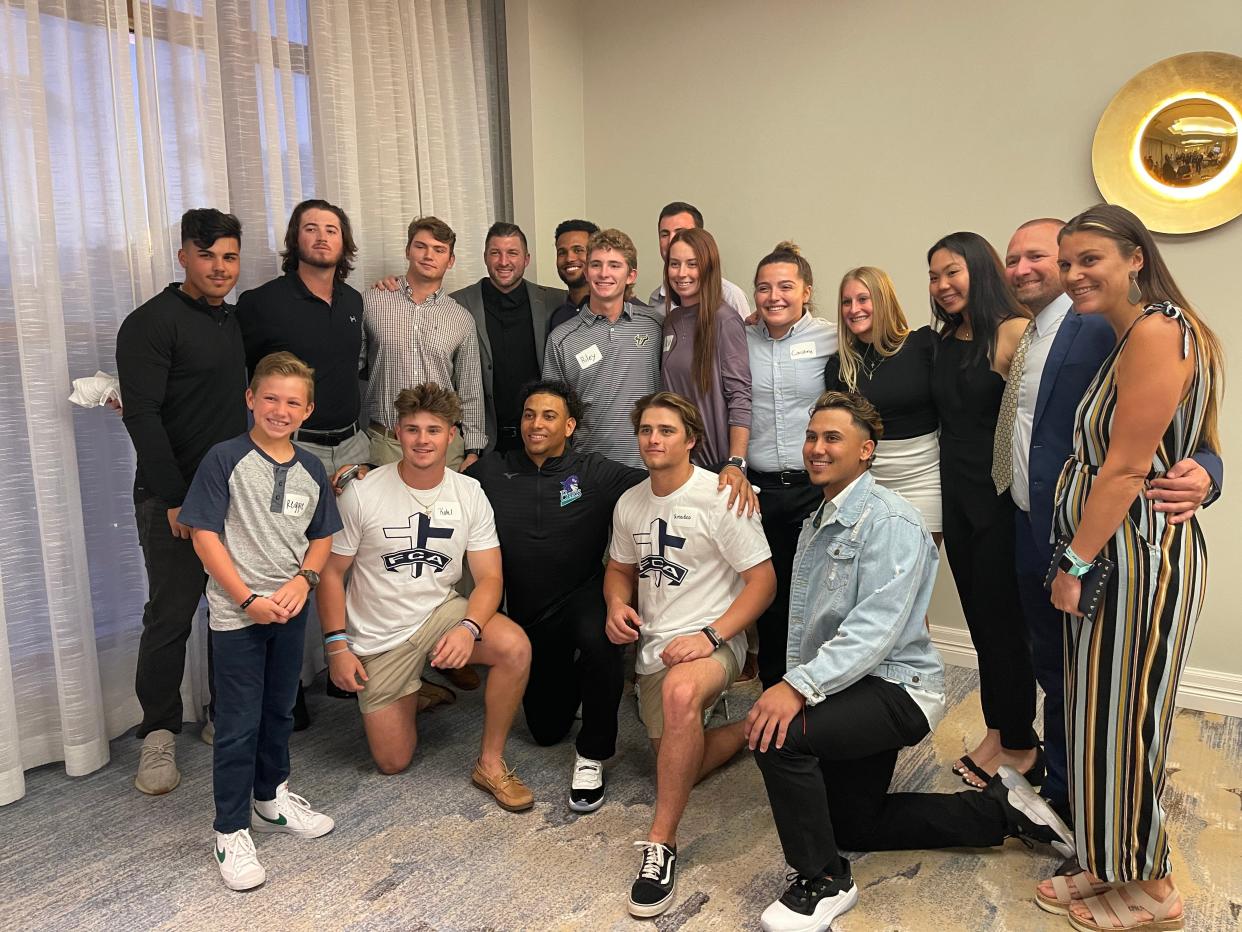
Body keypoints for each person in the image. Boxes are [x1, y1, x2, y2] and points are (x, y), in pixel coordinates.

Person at [749, 391, 1073, 932]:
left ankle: (825, 880)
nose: (817, 448)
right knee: (855, 823)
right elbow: (813, 628)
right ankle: (1003, 812)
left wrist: (796, 688)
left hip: (897, 690)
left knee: (777, 734)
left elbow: (875, 631)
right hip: (849, 686)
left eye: (833, 438)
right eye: (812, 437)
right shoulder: (817, 520)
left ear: (866, 451)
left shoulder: (891, 522)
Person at [1002, 217, 1223, 826]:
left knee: (1107, 700)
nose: (1042, 270)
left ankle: (1087, 812)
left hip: (1101, 544)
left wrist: (1208, 470)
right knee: (1059, 670)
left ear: (1133, 259)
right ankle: (1065, 794)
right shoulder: (1013, 334)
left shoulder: (1121, 325)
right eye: (1013, 258)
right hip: (1026, 524)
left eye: (1055, 257)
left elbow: (1169, 432)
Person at [316, 383, 534, 811]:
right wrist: (336, 646)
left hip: (440, 612)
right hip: (380, 636)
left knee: (515, 647)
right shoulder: (362, 491)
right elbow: (331, 573)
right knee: (393, 762)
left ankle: (490, 763)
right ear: (397, 432)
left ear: (451, 435)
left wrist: (470, 628)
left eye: (433, 430)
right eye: (412, 429)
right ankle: (413, 691)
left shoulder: (468, 493)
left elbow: (490, 577)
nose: (422, 440)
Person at [606, 392, 776, 918]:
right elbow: (619, 569)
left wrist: (711, 635)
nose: (653, 439)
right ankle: (751, 729)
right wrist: (615, 604)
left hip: (713, 641)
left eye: (666, 430)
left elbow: (763, 582)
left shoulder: (721, 497)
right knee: (674, 761)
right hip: (656, 647)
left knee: (682, 695)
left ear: (692, 440)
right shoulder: (630, 502)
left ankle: (661, 843)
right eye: (646, 430)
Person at [179, 352, 341, 891]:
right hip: (237, 615)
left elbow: (321, 538)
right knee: (238, 722)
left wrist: (304, 582)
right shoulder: (224, 459)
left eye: (293, 402)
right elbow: (204, 536)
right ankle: (230, 829)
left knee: (279, 711)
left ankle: (271, 797)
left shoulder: (313, 468)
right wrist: (247, 598)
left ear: (308, 410)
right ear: (251, 399)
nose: (280, 409)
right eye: (270, 397)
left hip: (290, 611)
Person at [115, 208, 247, 796]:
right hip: (170, 497)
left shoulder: (233, 323)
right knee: (170, 618)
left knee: (232, 609)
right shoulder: (149, 323)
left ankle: (222, 715)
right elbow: (141, 415)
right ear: (183, 257)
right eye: (207, 255)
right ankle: (158, 734)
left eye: (229, 257)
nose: (219, 268)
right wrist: (173, 499)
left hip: (232, 496)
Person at [467, 380, 645, 812]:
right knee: (546, 731)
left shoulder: (594, 472)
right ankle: (579, 686)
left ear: (569, 426)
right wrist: (365, 473)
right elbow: (433, 484)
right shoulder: (492, 471)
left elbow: (663, 479)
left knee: (604, 638)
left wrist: (729, 475)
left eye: (548, 416)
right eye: (529, 414)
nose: (536, 424)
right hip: (527, 616)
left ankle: (593, 754)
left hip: (584, 597)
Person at [237, 197, 367, 725]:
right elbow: (240, 377)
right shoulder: (263, 302)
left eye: (331, 229)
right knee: (285, 563)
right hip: (295, 448)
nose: (321, 237)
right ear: (295, 239)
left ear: (344, 242)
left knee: (349, 559)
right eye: (310, 229)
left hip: (352, 446)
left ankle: (344, 664)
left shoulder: (356, 299)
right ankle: (284, 688)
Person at [928, 231, 1039, 788]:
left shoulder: (1013, 332)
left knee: (1004, 627)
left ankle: (1020, 743)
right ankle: (1001, 732)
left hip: (996, 500)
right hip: (957, 499)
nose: (943, 284)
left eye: (953, 271)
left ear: (980, 269)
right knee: (981, 626)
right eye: (934, 276)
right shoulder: (945, 338)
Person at [745, 241, 836, 689]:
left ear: (806, 292)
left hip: (813, 488)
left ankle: (818, 690)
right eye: (764, 288)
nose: (774, 296)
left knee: (818, 595)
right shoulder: (739, 339)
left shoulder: (830, 337)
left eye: (785, 286)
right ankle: (772, 692)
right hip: (756, 490)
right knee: (769, 597)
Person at [362, 216, 486, 472]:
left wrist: (472, 450)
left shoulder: (460, 318)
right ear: (408, 250)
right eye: (421, 246)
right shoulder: (372, 302)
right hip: (387, 444)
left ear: (450, 261)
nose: (429, 255)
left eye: (439, 250)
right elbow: (349, 365)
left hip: (444, 447)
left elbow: (470, 389)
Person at [826, 266, 941, 538]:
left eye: (863, 299)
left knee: (914, 575)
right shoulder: (839, 366)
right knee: (870, 574)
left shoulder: (924, 345)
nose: (854, 309)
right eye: (846, 302)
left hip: (923, 480)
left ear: (882, 300)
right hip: (867, 482)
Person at [543, 228, 663, 469]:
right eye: (596, 265)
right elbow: (553, 412)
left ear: (631, 275)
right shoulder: (562, 339)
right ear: (586, 272)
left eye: (615, 265)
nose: (604, 273)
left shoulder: (655, 325)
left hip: (649, 466)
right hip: (590, 469)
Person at [449, 222, 567, 455]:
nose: (504, 262)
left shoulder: (555, 301)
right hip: (484, 443)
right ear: (485, 257)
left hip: (540, 438)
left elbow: (594, 299)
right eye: (495, 253)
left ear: (526, 259)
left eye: (512, 253)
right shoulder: (458, 303)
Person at [659, 227, 752, 470]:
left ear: (708, 267)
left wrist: (736, 462)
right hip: (678, 462)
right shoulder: (671, 320)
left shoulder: (725, 320)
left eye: (692, 264)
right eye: (674, 264)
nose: (682, 273)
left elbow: (740, 396)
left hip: (716, 465)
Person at [646, 201, 751, 318]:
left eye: (681, 232)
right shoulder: (656, 299)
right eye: (664, 234)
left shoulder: (730, 295)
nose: (672, 241)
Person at [547, 218, 601, 333]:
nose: (569, 259)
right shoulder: (558, 317)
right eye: (562, 252)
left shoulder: (620, 310)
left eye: (578, 250)